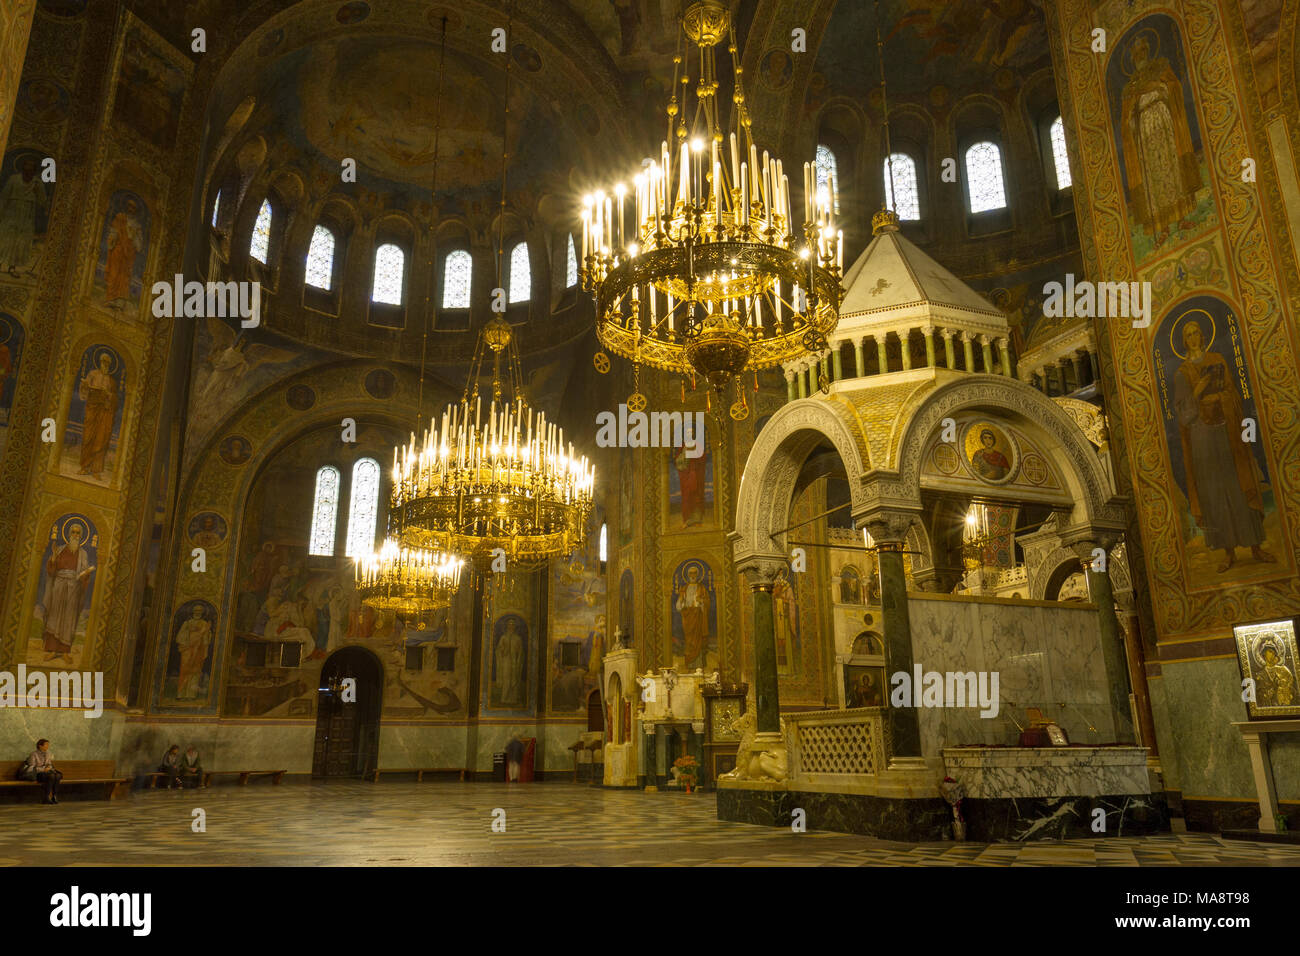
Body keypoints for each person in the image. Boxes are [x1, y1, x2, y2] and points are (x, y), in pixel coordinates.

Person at [1173, 320, 1275, 572]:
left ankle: (1255, 547)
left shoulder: (1217, 360)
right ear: (1184, 341)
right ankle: (1228, 552)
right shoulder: (1181, 374)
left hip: (1226, 432)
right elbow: (1183, 416)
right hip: (1202, 440)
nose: (1194, 337)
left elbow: (1234, 394)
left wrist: (1220, 397)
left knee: (1238, 486)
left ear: (1203, 335)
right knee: (1215, 495)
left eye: (1196, 332)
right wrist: (1197, 393)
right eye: (1189, 334)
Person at [77, 351, 119, 477]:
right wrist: (85, 386)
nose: (105, 364)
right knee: (88, 437)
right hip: (92, 409)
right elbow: (84, 391)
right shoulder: (92, 374)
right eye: (103, 362)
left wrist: (109, 395)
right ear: (100, 362)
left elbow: (115, 398)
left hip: (104, 412)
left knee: (101, 440)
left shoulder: (111, 381)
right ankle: (84, 467)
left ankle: (95, 470)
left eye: (107, 363)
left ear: (109, 364)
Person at [21, 739, 62, 804]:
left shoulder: (48, 754)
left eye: (48, 745)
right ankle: (46, 797)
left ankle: (54, 795)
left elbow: (49, 764)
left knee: (58, 775)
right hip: (37, 774)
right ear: (40, 746)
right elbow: (31, 767)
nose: (48, 746)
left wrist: (49, 768)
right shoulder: (33, 754)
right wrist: (43, 769)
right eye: (46, 745)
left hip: (47, 773)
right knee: (51, 776)